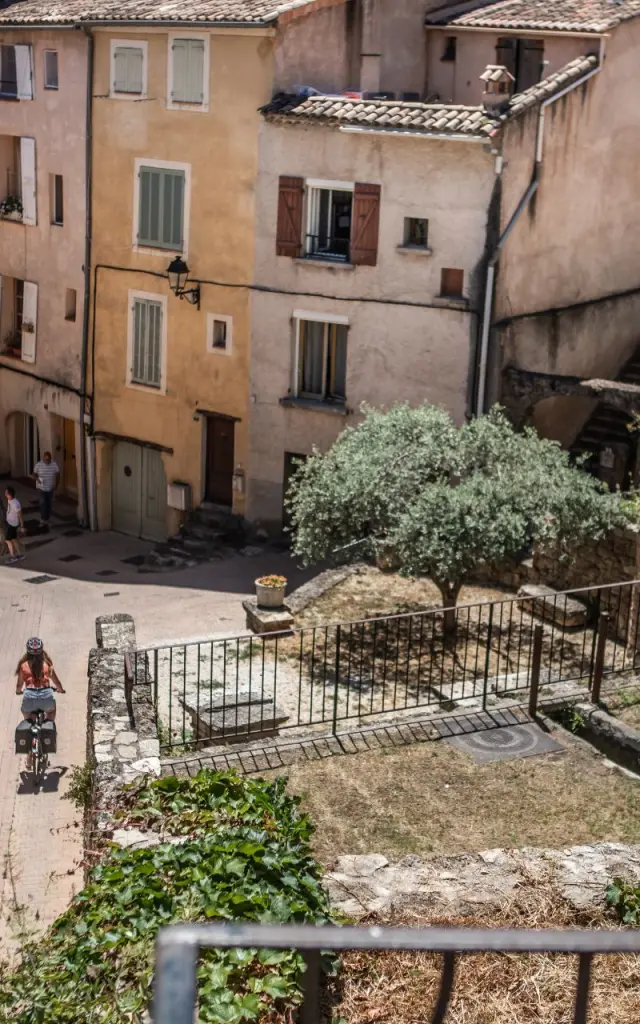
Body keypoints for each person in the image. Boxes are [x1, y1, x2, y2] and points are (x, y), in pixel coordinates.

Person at [16, 639, 64, 768]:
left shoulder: (23, 666)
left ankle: (30, 755)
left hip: (29, 699)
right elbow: (57, 682)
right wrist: (60, 689)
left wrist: (19, 691)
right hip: (46, 697)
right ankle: (47, 726)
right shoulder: (47, 664)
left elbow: (19, 685)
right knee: (51, 711)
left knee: (29, 719)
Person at [32, 451, 59, 528]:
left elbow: (58, 474)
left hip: (50, 488)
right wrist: (37, 479)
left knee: (49, 504)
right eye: (46, 460)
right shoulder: (39, 465)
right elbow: (34, 474)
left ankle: (47, 517)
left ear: (50, 459)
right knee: (43, 503)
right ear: (43, 458)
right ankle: (42, 518)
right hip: (41, 488)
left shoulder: (54, 464)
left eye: (48, 460)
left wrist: (56, 485)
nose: (47, 461)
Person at [4, 486, 24, 563]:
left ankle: (13, 556)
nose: (5, 495)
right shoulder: (10, 500)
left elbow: (20, 515)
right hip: (10, 522)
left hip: (12, 524)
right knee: (14, 539)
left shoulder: (16, 504)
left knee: (7, 540)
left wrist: (22, 525)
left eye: (6, 493)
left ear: (10, 495)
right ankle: (19, 554)